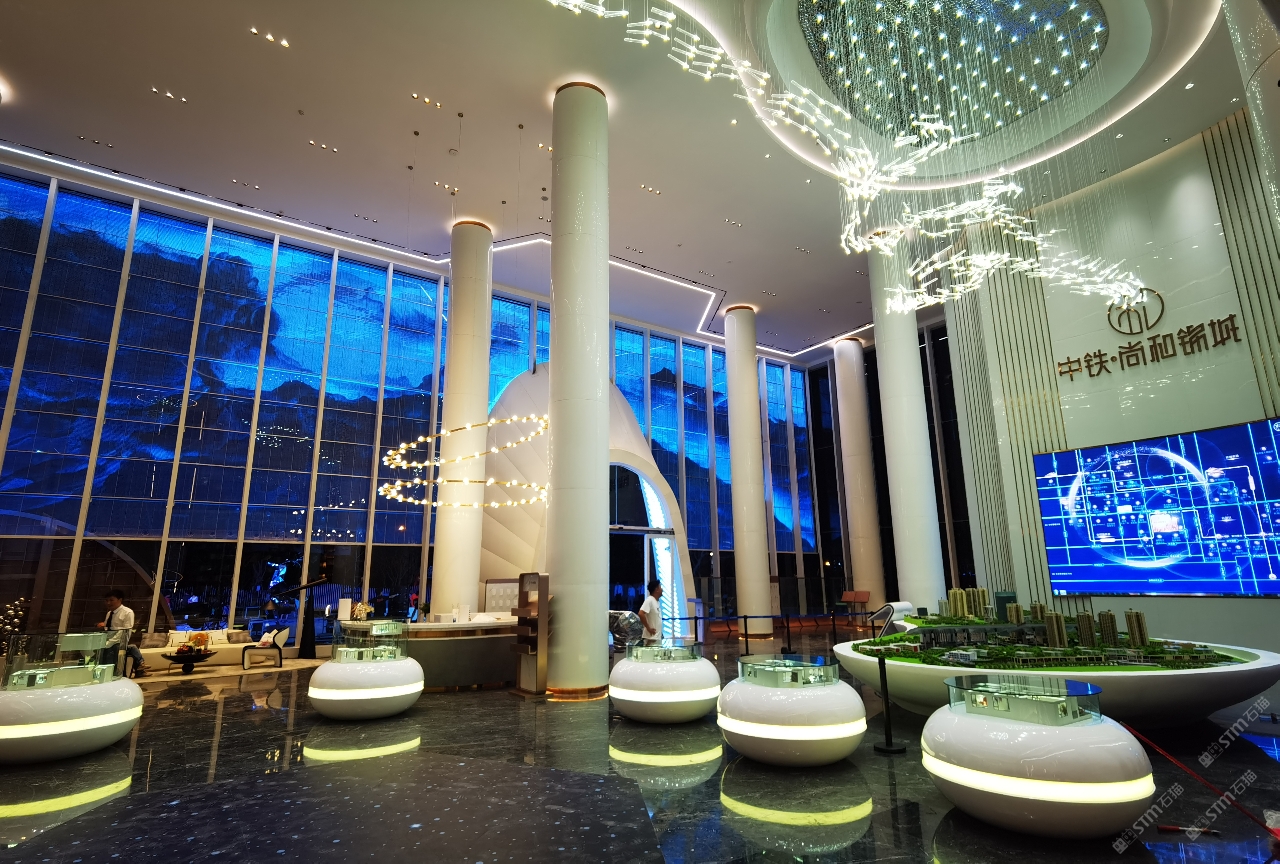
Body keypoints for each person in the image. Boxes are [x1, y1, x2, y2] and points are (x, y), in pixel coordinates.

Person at [99, 590, 148, 677]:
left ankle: (112, 674)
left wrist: (109, 643)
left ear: (120, 600)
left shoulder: (127, 612)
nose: (108, 603)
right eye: (107, 600)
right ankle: (140, 665)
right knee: (132, 648)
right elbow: (107, 629)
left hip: (119, 643)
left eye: (111, 600)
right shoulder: (109, 613)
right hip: (109, 641)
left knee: (127, 648)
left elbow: (125, 633)